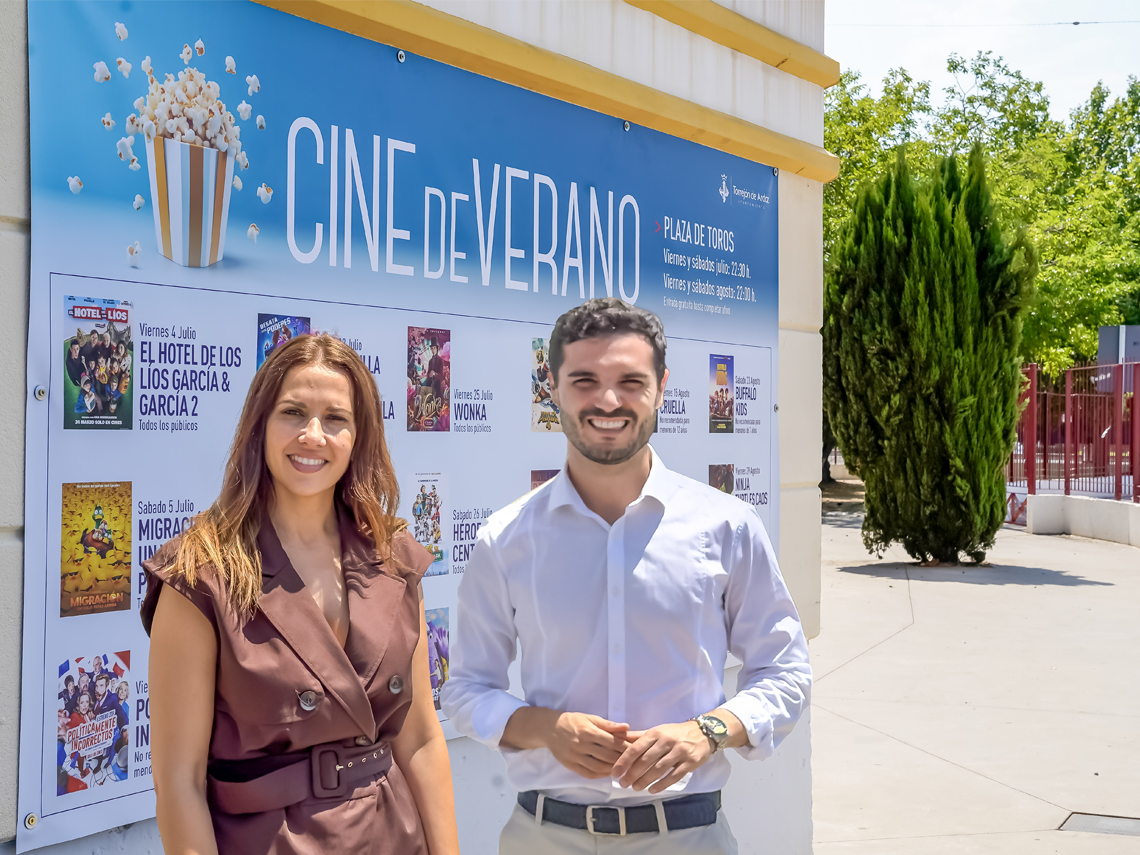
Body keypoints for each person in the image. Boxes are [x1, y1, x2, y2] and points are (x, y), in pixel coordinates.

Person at [441, 298, 811, 853]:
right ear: (552, 387)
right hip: (544, 836)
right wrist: (546, 728)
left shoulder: (726, 525)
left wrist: (707, 732)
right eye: (584, 381)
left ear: (662, 388)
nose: (608, 401)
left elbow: (785, 671)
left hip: (686, 837)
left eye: (631, 382)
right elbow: (466, 690)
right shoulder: (506, 538)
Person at [141, 333, 459, 855]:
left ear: (358, 436)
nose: (313, 435)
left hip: (394, 837)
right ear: (260, 425)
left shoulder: (395, 557)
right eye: (293, 413)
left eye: (335, 419)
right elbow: (179, 783)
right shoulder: (200, 573)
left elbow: (421, 739)